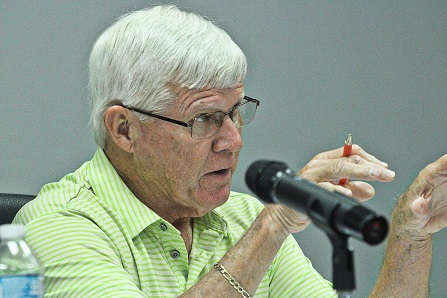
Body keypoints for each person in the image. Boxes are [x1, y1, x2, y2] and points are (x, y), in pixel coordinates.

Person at [13, 5, 446, 297]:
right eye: (205, 119)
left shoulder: (240, 219)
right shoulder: (51, 226)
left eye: (236, 112)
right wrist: (273, 224)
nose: (233, 140)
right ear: (124, 129)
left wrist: (411, 232)